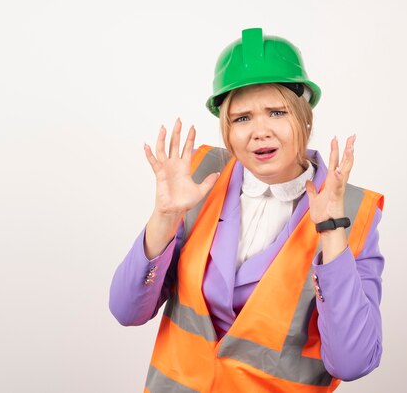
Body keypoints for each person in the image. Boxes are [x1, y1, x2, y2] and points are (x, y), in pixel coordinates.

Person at [109, 27, 384, 392]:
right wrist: (163, 216)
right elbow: (128, 312)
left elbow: (351, 363)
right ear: (226, 128)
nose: (260, 131)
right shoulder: (198, 178)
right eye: (242, 118)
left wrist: (333, 232)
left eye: (276, 112)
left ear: (304, 117)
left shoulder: (352, 211)